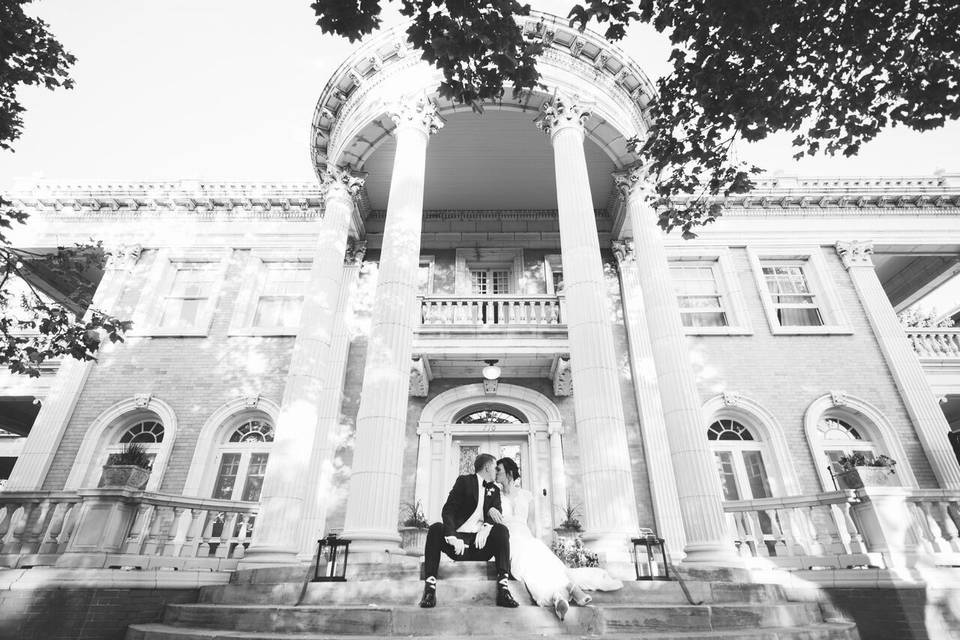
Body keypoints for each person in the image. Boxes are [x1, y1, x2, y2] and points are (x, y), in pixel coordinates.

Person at [495, 457, 598, 621]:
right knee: (525, 560)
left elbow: (531, 523)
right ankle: (563, 592)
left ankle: (562, 593)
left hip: (525, 535)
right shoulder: (495, 496)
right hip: (507, 537)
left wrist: (537, 540)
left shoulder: (526, 495)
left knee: (537, 551)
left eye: (498, 470)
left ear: (509, 473)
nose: (495, 473)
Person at [419, 453, 520, 609]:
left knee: (501, 530)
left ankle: (503, 589)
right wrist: (452, 537)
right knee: (435, 529)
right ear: (487, 467)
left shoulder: (494, 489)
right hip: (458, 545)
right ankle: (430, 589)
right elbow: (448, 510)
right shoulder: (464, 482)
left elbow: (497, 511)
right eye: (495, 467)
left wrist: (487, 527)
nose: (496, 471)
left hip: (481, 545)